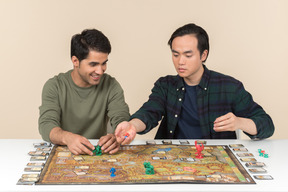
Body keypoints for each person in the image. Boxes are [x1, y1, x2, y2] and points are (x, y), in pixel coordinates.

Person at [115, 23, 274, 144]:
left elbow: (267, 125)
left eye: (188, 55)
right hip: (171, 159)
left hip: (215, 163)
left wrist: (239, 122)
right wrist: (132, 126)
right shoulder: (165, 85)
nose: (180, 62)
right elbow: (149, 112)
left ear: (203, 55)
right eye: (175, 54)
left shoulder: (229, 87)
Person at [39, 29, 130, 155]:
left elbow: (121, 117)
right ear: (75, 61)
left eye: (104, 63)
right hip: (64, 151)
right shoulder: (54, 86)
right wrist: (68, 138)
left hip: (98, 154)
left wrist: (117, 136)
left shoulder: (111, 85)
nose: (100, 71)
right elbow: (46, 125)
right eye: (93, 64)